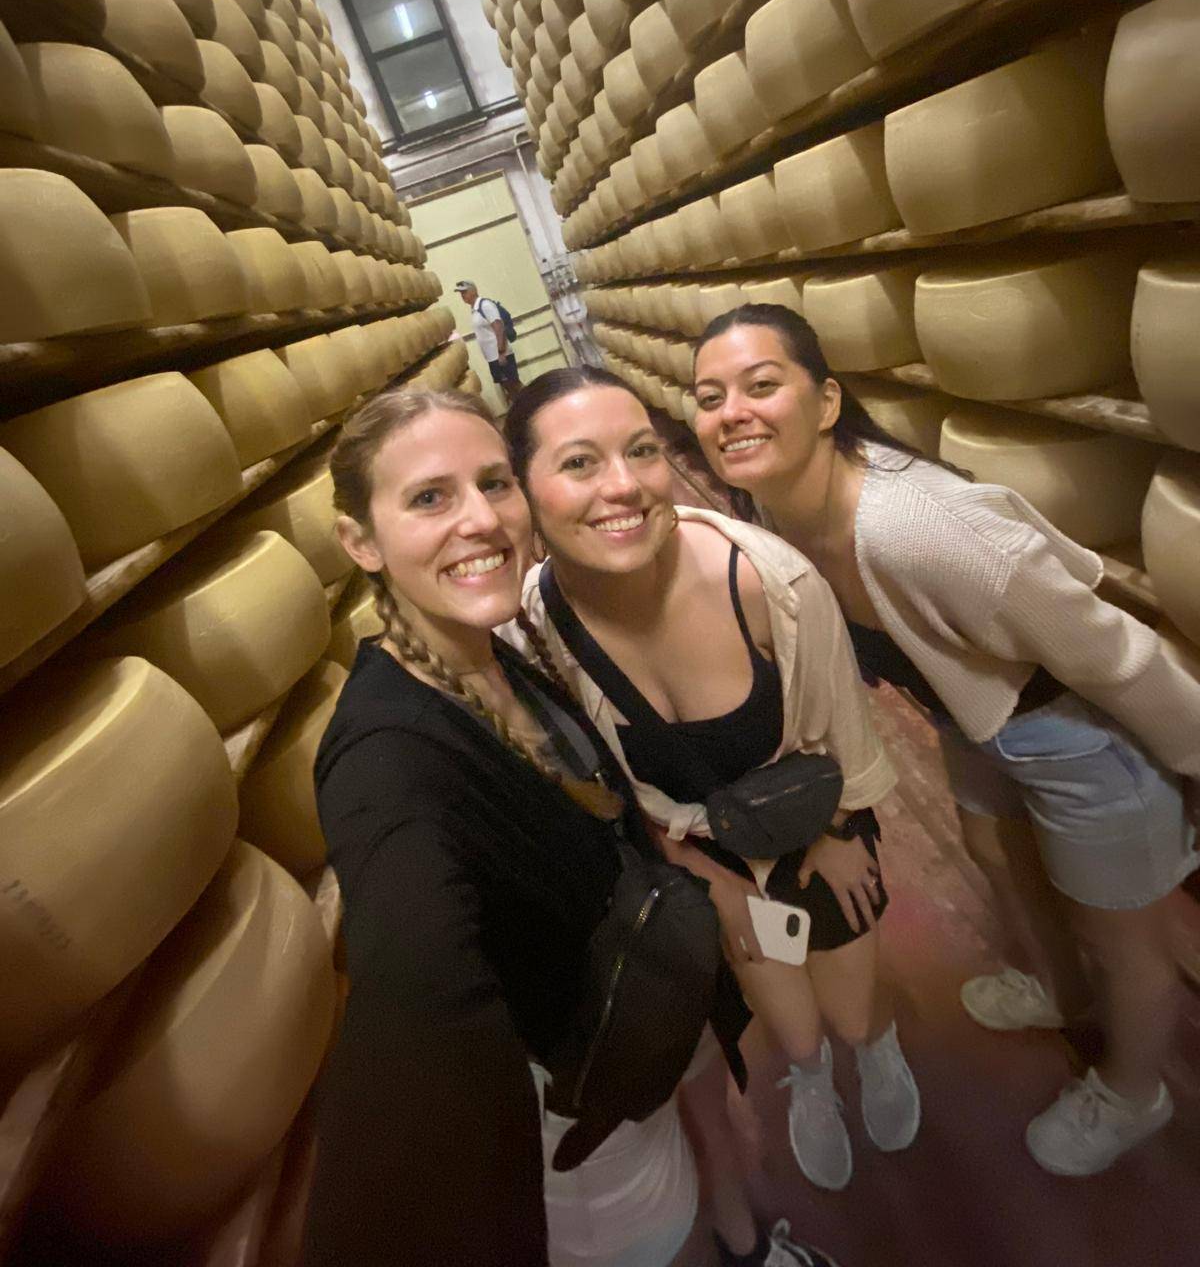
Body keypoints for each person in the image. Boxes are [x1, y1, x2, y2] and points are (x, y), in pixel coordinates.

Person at [302, 386, 838, 1267]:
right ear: (360, 540)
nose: (482, 520)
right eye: (430, 498)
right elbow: (420, 1005)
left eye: (495, 484)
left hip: (649, 1006)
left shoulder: (493, 651)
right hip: (590, 1104)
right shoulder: (384, 758)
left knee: (720, 1174)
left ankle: (750, 1246)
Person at [691, 302, 1200, 1177]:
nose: (730, 410)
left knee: (1128, 942)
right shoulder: (773, 511)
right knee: (997, 856)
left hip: (1078, 728)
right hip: (977, 716)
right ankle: (1058, 990)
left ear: (826, 402)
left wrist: (1192, 760)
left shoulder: (923, 526)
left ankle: (1134, 1092)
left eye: (761, 385)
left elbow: (1109, 654)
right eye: (708, 396)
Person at [505, 367, 921, 1206]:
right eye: (580, 464)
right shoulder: (535, 626)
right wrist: (709, 879)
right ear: (523, 492)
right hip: (707, 856)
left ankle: (877, 1049)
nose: (622, 486)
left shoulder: (771, 582)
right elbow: (604, 782)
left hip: (817, 821)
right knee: (796, 1031)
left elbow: (841, 723)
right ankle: (810, 1081)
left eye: (642, 452)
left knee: (847, 1013)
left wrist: (839, 830)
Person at [456, 278, 522, 402]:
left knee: (514, 386)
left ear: (474, 291)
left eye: (465, 292)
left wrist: (501, 352)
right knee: (509, 387)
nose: (462, 296)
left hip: (500, 355)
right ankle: (523, 413)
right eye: (461, 293)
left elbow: (499, 326)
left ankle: (532, 409)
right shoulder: (475, 309)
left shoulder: (485, 305)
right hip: (493, 357)